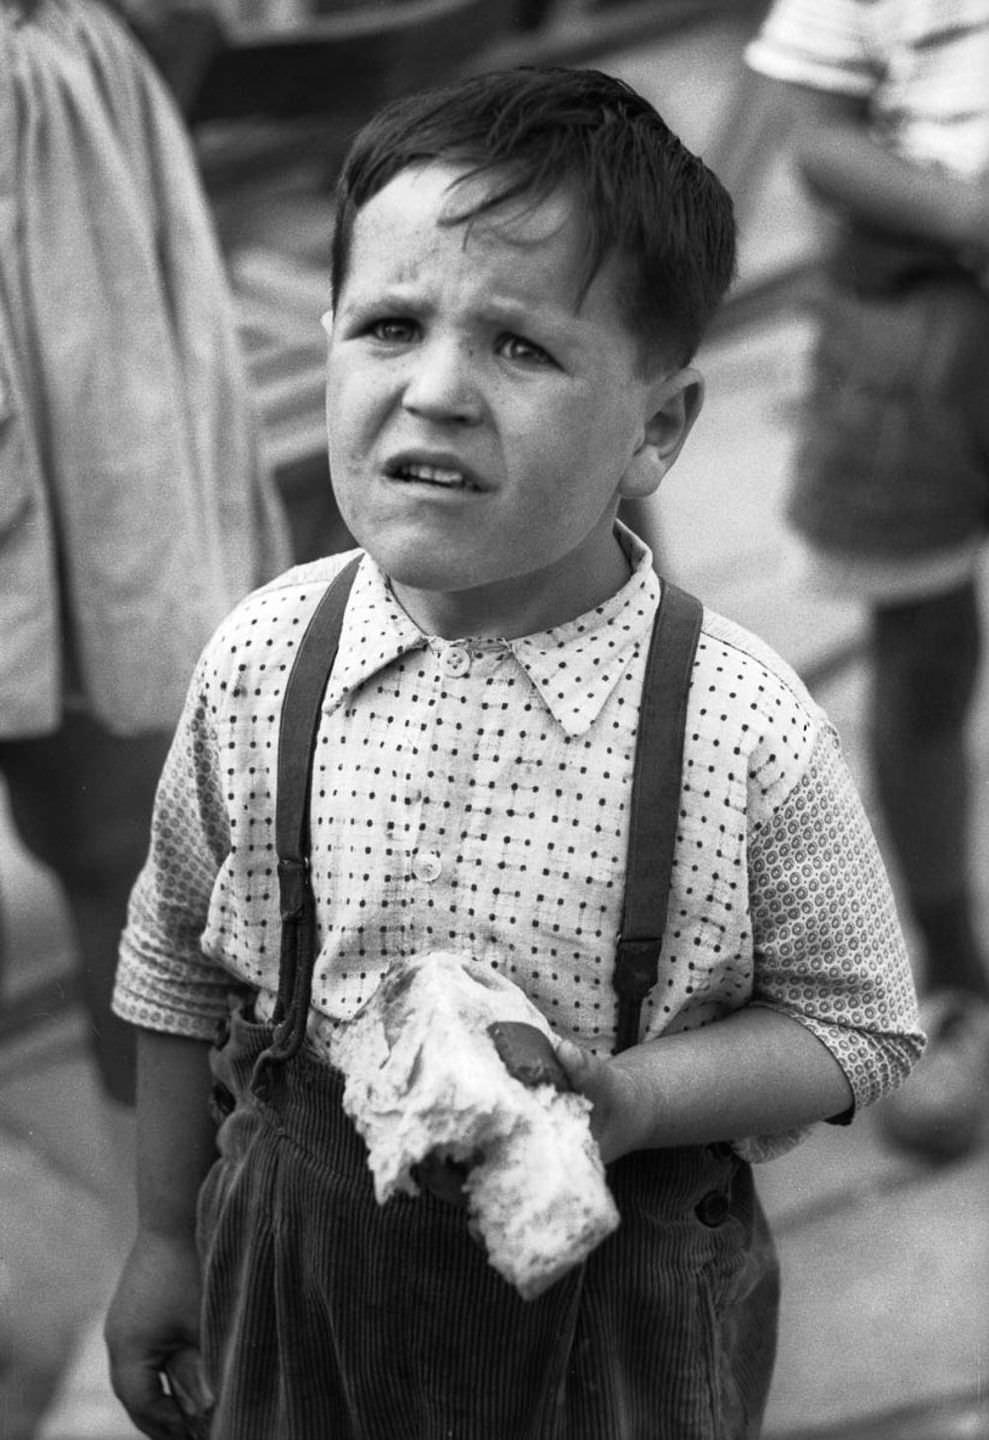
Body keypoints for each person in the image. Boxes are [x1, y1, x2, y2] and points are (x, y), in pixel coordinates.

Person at [105, 66, 923, 1440]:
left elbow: (856, 1027)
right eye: (389, 325)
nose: (435, 391)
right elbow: (176, 962)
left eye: (520, 347)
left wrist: (632, 1098)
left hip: (613, 1311)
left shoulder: (740, 729)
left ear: (657, 426)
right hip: (297, 1263)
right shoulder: (261, 660)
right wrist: (165, 1237)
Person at [0, 0, 290, 1114]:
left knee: (121, 798)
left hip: (60, 212)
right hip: (64, 187)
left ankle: (173, 1222)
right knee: (119, 801)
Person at [746, 0, 989, 1160]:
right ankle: (952, 976)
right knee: (926, 650)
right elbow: (819, 135)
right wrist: (963, 215)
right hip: (914, 324)